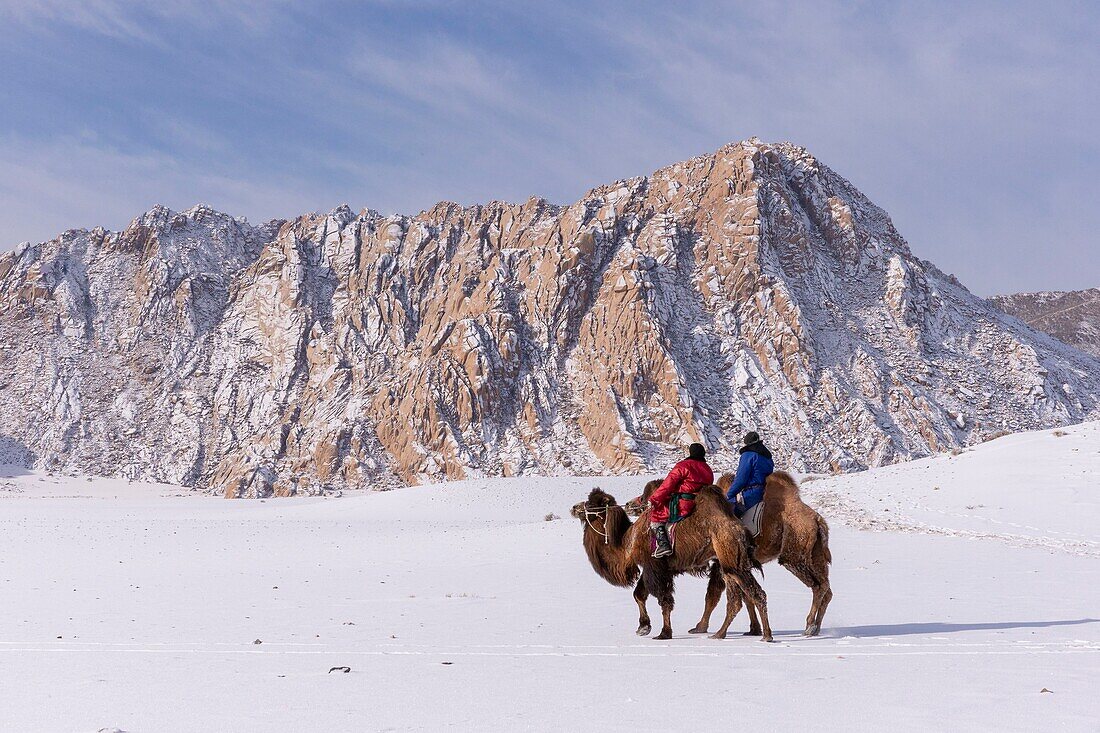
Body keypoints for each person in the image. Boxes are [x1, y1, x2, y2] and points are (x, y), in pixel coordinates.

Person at [648, 443, 713, 558]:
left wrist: (654, 500)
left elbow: (668, 485)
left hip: (684, 504)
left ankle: (663, 545)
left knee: (657, 515)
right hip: (702, 504)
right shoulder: (708, 469)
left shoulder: (684, 466)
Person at [726, 431, 773, 517]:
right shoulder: (768, 457)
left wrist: (730, 495)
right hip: (766, 492)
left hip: (751, 494)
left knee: (728, 511)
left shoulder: (748, 455)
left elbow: (741, 479)